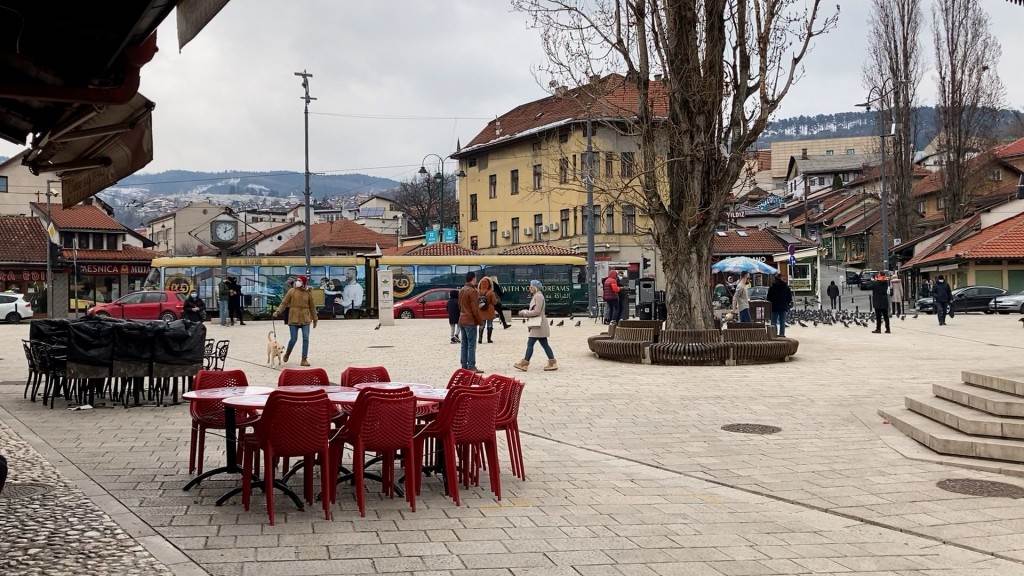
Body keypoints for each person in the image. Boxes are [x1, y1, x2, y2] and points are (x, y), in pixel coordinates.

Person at [513, 279, 558, 372]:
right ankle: (552, 362)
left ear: (535, 287)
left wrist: (525, 312)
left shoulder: (538, 296)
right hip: (539, 324)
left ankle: (525, 363)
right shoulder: (538, 296)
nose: (529, 288)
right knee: (544, 344)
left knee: (530, 343)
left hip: (538, 324)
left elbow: (537, 311)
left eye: (531, 286)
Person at [275, 275, 317, 366]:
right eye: (297, 280)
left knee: (306, 338)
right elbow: (284, 303)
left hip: (305, 319)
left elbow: (312, 307)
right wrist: (278, 311)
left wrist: (315, 318)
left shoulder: (308, 293)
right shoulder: (291, 291)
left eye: (299, 280)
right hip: (293, 318)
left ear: (304, 283)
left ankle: (304, 359)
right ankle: (287, 354)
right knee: (293, 339)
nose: (297, 282)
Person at [457, 271, 484, 373]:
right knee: (472, 345)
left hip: (462, 320)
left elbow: (459, 306)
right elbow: (475, 309)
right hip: (470, 321)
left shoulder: (462, 290)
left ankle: (464, 366)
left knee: (464, 344)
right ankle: (471, 366)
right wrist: (480, 321)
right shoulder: (472, 291)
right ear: (473, 278)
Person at [477, 277, 498, 344]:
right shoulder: (491, 292)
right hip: (489, 310)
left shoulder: (478, 292)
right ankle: (489, 339)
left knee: (481, 325)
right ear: (489, 284)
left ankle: (480, 339)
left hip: (481, 310)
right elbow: (494, 302)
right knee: (490, 324)